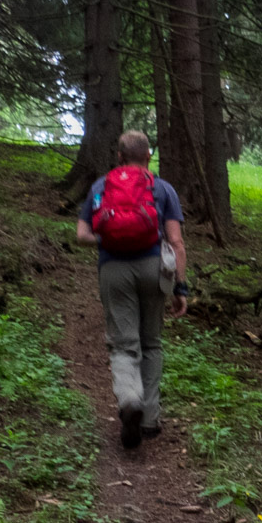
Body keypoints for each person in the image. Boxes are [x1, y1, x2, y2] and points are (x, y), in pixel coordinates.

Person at [76, 131, 188, 448]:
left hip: (113, 269)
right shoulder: (163, 188)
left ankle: (129, 399)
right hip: (154, 268)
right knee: (151, 343)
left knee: (124, 345)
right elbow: (176, 242)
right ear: (149, 156)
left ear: (120, 157)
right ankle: (150, 420)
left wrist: (106, 240)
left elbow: (81, 235)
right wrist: (181, 286)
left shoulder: (101, 186)